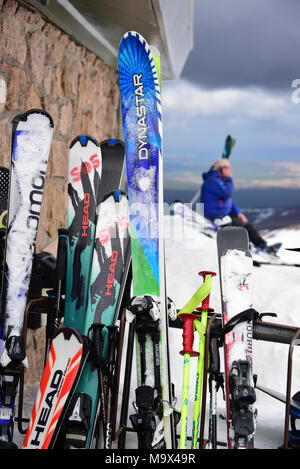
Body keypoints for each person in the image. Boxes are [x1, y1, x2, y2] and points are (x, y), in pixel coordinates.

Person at [200, 158, 280, 254]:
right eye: (227, 168)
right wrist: (229, 178)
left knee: (246, 226)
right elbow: (228, 193)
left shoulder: (217, 180)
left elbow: (228, 200)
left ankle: (262, 246)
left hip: (223, 212)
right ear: (221, 169)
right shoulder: (212, 181)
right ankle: (249, 249)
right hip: (215, 214)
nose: (229, 170)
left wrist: (238, 212)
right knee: (240, 228)